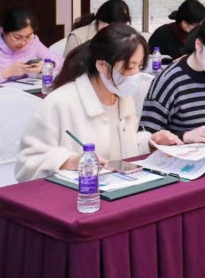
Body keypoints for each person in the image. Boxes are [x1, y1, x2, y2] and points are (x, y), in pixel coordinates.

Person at [15, 25, 170, 182]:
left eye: (139, 65)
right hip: (79, 193)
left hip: (121, 188)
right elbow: (27, 164)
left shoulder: (123, 98)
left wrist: (150, 142)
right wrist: (68, 161)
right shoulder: (60, 102)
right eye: (129, 67)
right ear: (102, 65)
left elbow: (121, 148)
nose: (136, 74)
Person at [141, 13, 205, 143]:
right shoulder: (170, 81)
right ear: (199, 45)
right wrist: (184, 137)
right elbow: (147, 138)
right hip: (185, 154)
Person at [0, 7, 62, 85]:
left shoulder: (33, 41)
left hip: (23, 94)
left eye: (28, 36)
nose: (23, 42)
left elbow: (62, 62)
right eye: (17, 37)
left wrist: (47, 66)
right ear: (3, 31)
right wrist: (6, 73)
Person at [64, 0, 132, 56]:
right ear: (100, 19)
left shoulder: (128, 37)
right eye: (111, 25)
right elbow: (69, 65)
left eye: (120, 26)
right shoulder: (77, 37)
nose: (115, 30)